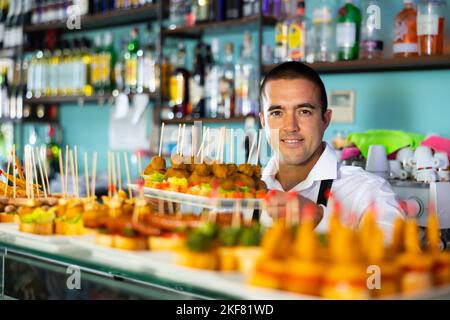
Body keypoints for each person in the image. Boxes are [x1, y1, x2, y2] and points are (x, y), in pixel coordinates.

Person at [260, 61, 404, 241]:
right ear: (263, 122)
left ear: (325, 120)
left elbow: (393, 263)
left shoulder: (369, 192)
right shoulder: (240, 193)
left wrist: (321, 219)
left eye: (304, 112)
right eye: (277, 113)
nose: (290, 127)